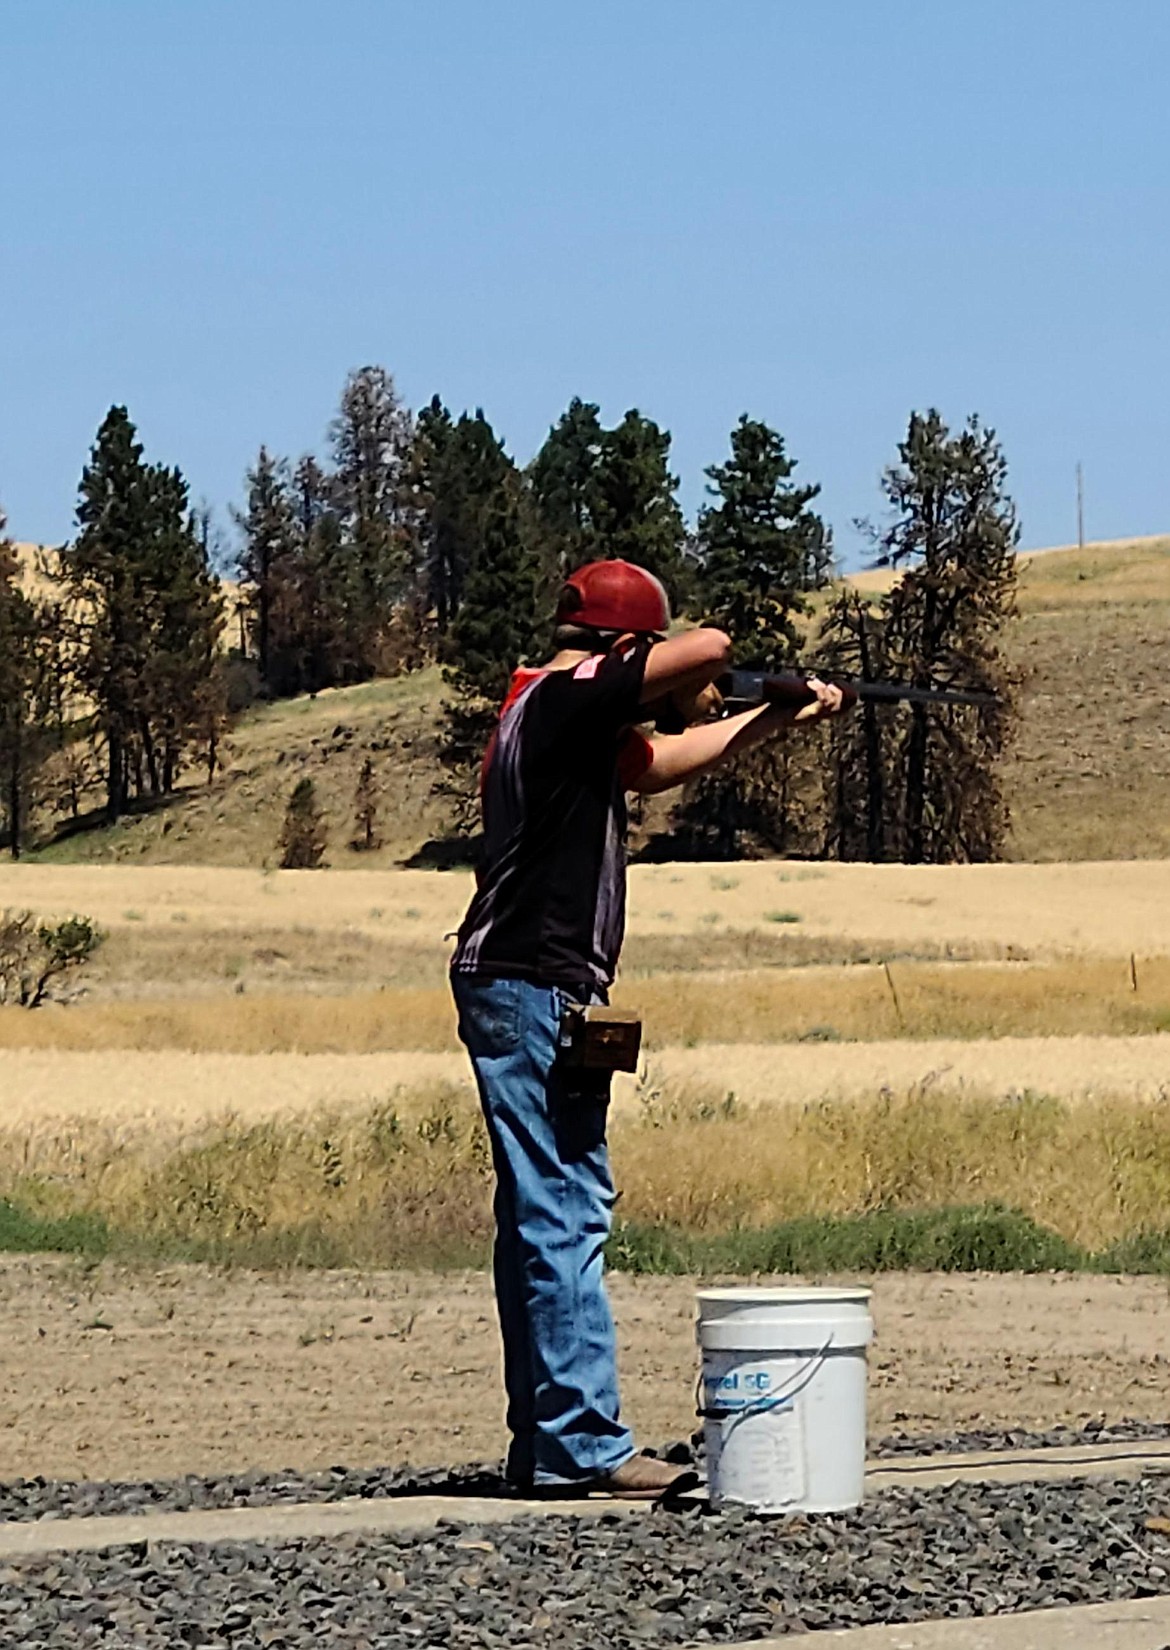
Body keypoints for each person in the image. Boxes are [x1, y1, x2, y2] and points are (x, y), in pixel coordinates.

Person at [449, 558, 849, 1498]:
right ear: (624, 645)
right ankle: (583, 1445)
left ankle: (549, 1442)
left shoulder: (539, 707)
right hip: (533, 984)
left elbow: (663, 766)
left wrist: (765, 716)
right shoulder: (570, 694)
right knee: (564, 1210)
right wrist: (728, 672)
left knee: (541, 1217)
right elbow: (707, 648)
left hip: (522, 983)